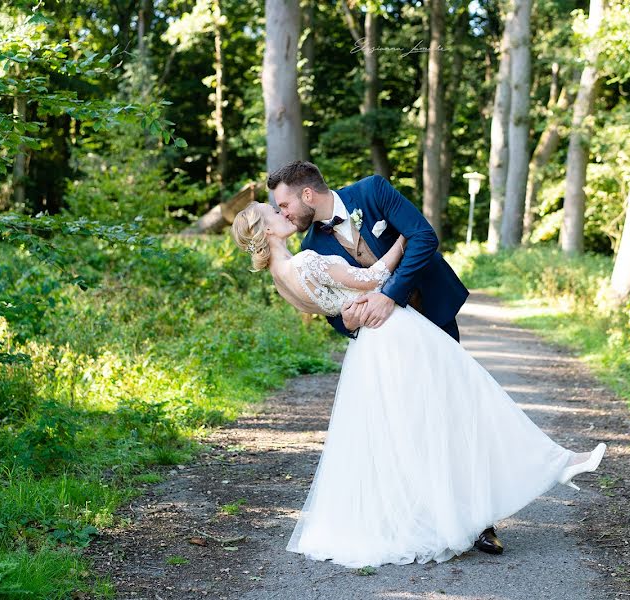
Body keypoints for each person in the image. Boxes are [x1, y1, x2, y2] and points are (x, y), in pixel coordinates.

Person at [230, 197, 608, 570]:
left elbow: (337, 307)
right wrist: (402, 240)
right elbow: (371, 279)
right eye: (273, 212)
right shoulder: (306, 258)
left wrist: (351, 313)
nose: (282, 213)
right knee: (470, 397)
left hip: (373, 346)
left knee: (413, 427)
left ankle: (452, 512)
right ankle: (551, 465)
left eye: (281, 205)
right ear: (266, 229)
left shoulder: (281, 278)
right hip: (393, 334)